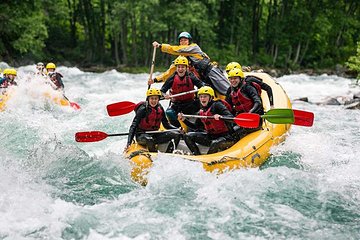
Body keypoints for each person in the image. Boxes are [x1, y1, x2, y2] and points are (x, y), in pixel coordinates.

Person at [149, 31, 230, 95]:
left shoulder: (194, 47)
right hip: (203, 78)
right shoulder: (181, 60)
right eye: (181, 40)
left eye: (185, 40)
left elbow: (177, 49)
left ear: (189, 42)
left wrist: (160, 46)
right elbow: (170, 72)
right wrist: (155, 80)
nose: (183, 42)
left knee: (227, 90)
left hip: (211, 72)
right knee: (211, 94)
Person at [178, 86, 236, 155]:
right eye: (201, 97)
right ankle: (197, 155)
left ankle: (208, 160)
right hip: (211, 137)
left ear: (211, 97)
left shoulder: (217, 105)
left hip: (226, 137)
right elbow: (196, 127)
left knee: (215, 143)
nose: (202, 99)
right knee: (188, 136)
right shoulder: (201, 111)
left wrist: (221, 116)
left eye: (205, 96)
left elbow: (232, 118)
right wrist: (184, 120)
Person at [126, 88, 181, 153]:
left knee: (176, 134)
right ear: (148, 99)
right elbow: (133, 126)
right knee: (149, 139)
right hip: (142, 135)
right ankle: (154, 154)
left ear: (158, 99)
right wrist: (129, 143)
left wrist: (177, 129)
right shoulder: (143, 109)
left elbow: (166, 125)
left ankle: (170, 152)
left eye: (156, 98)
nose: (154, 101)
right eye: (152, 98)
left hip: (155, 134)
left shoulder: (160, 108)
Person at [160, 55, 205, 127]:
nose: (180, 69)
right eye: (179, 67)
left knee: (200, 108)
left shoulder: (191, 76)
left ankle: (194, 126)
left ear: (186, 68)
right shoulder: (172, 78)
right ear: (176, 68)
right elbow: (162, 91)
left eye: (183, 67)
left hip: (190, 103)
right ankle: (177, 128)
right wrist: (165, 95)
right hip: (176, 104)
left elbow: (201, 86)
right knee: (169, 112)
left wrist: (203, 88)